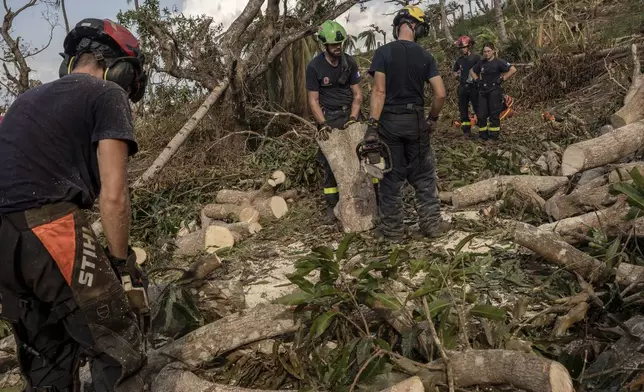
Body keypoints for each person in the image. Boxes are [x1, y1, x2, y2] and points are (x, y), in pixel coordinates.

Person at [0, 18, 149, 392]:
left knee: (46, 356)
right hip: (49, 225)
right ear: (118, 68)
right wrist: (120, 265)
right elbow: (114, 196)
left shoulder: (26, 99)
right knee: (118, 342)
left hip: (2, 240)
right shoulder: (107, 94)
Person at [365, 5, 449, 241]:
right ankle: (431, 226)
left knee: (391, 179)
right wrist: (431, 118)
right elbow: (440, 94)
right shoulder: (425, 56)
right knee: (423, 177)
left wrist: (372, 125)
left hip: (389, 123)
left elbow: (379, 92)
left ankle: (392, 232)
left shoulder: (383, 53)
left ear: (398, 26)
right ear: (415, 26)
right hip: (415, 122)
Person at [306, 20, 363, 223]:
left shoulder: (350, 63)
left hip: (350, 114)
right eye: (333, 45)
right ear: (325, 45)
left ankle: (370, 200)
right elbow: (313, 100)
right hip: (329, 117)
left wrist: (354, 119)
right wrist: (323, 124)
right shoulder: (315, 67)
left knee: (363, 159)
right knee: (331, 164)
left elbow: (357, 94)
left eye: (340, 44)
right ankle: (332, 205)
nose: (337, 48)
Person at [470, 42, 517, 141]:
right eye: (484, 52)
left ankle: (493, 136)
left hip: (495, 90)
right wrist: (477, 80)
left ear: (493, 51)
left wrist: (502, 79)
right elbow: (472, 71)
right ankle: (483, 135)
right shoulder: (481, 63)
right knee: (481, 114)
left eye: (488, 51)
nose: (486, 53)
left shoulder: (499, 62)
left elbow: (513, 69)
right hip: (483, 91)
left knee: (494, 114)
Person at [452, 35, 481, 138]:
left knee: (478, 108)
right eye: (460, 48)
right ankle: (466, 132)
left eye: (464, 47)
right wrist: (457, 76)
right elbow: (455, 71)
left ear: (469, 47)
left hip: (474, 87)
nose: (462, 50)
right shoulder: (459, 60)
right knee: (463, 109)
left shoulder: (476, 57)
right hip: (463, 87)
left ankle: (483, 131)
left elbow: (483, 69)